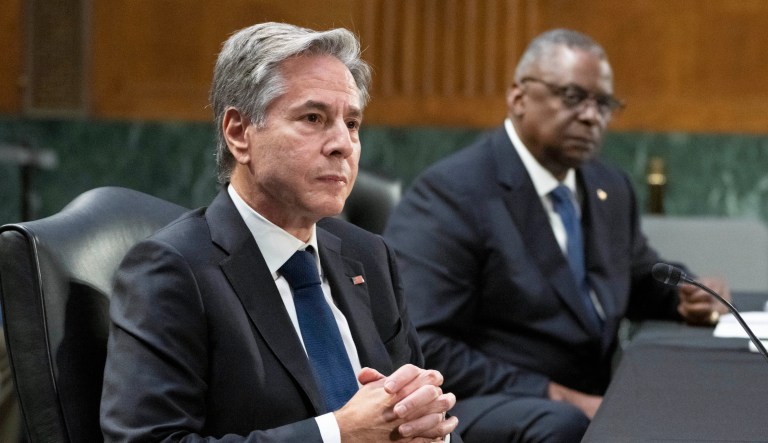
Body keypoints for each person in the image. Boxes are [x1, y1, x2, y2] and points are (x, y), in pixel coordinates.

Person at [100, 22, 460, 442]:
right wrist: (336, 434)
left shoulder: (369, 257)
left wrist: (433, 431)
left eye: (353, 123)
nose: (342, 143)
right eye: (313, 118)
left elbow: (419, 410)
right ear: (239, 133)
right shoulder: (172, 271)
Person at [383, 28, 729, 443]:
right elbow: (423, 342)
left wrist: (685, 294)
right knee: (564, 423)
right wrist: (555, 395)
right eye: (572, 97)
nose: (590, 115)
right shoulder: (452, 194)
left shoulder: (608, 186)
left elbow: (634, 274)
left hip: (591, 397)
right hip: (483, 403)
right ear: (518, 97)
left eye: (603, 103)